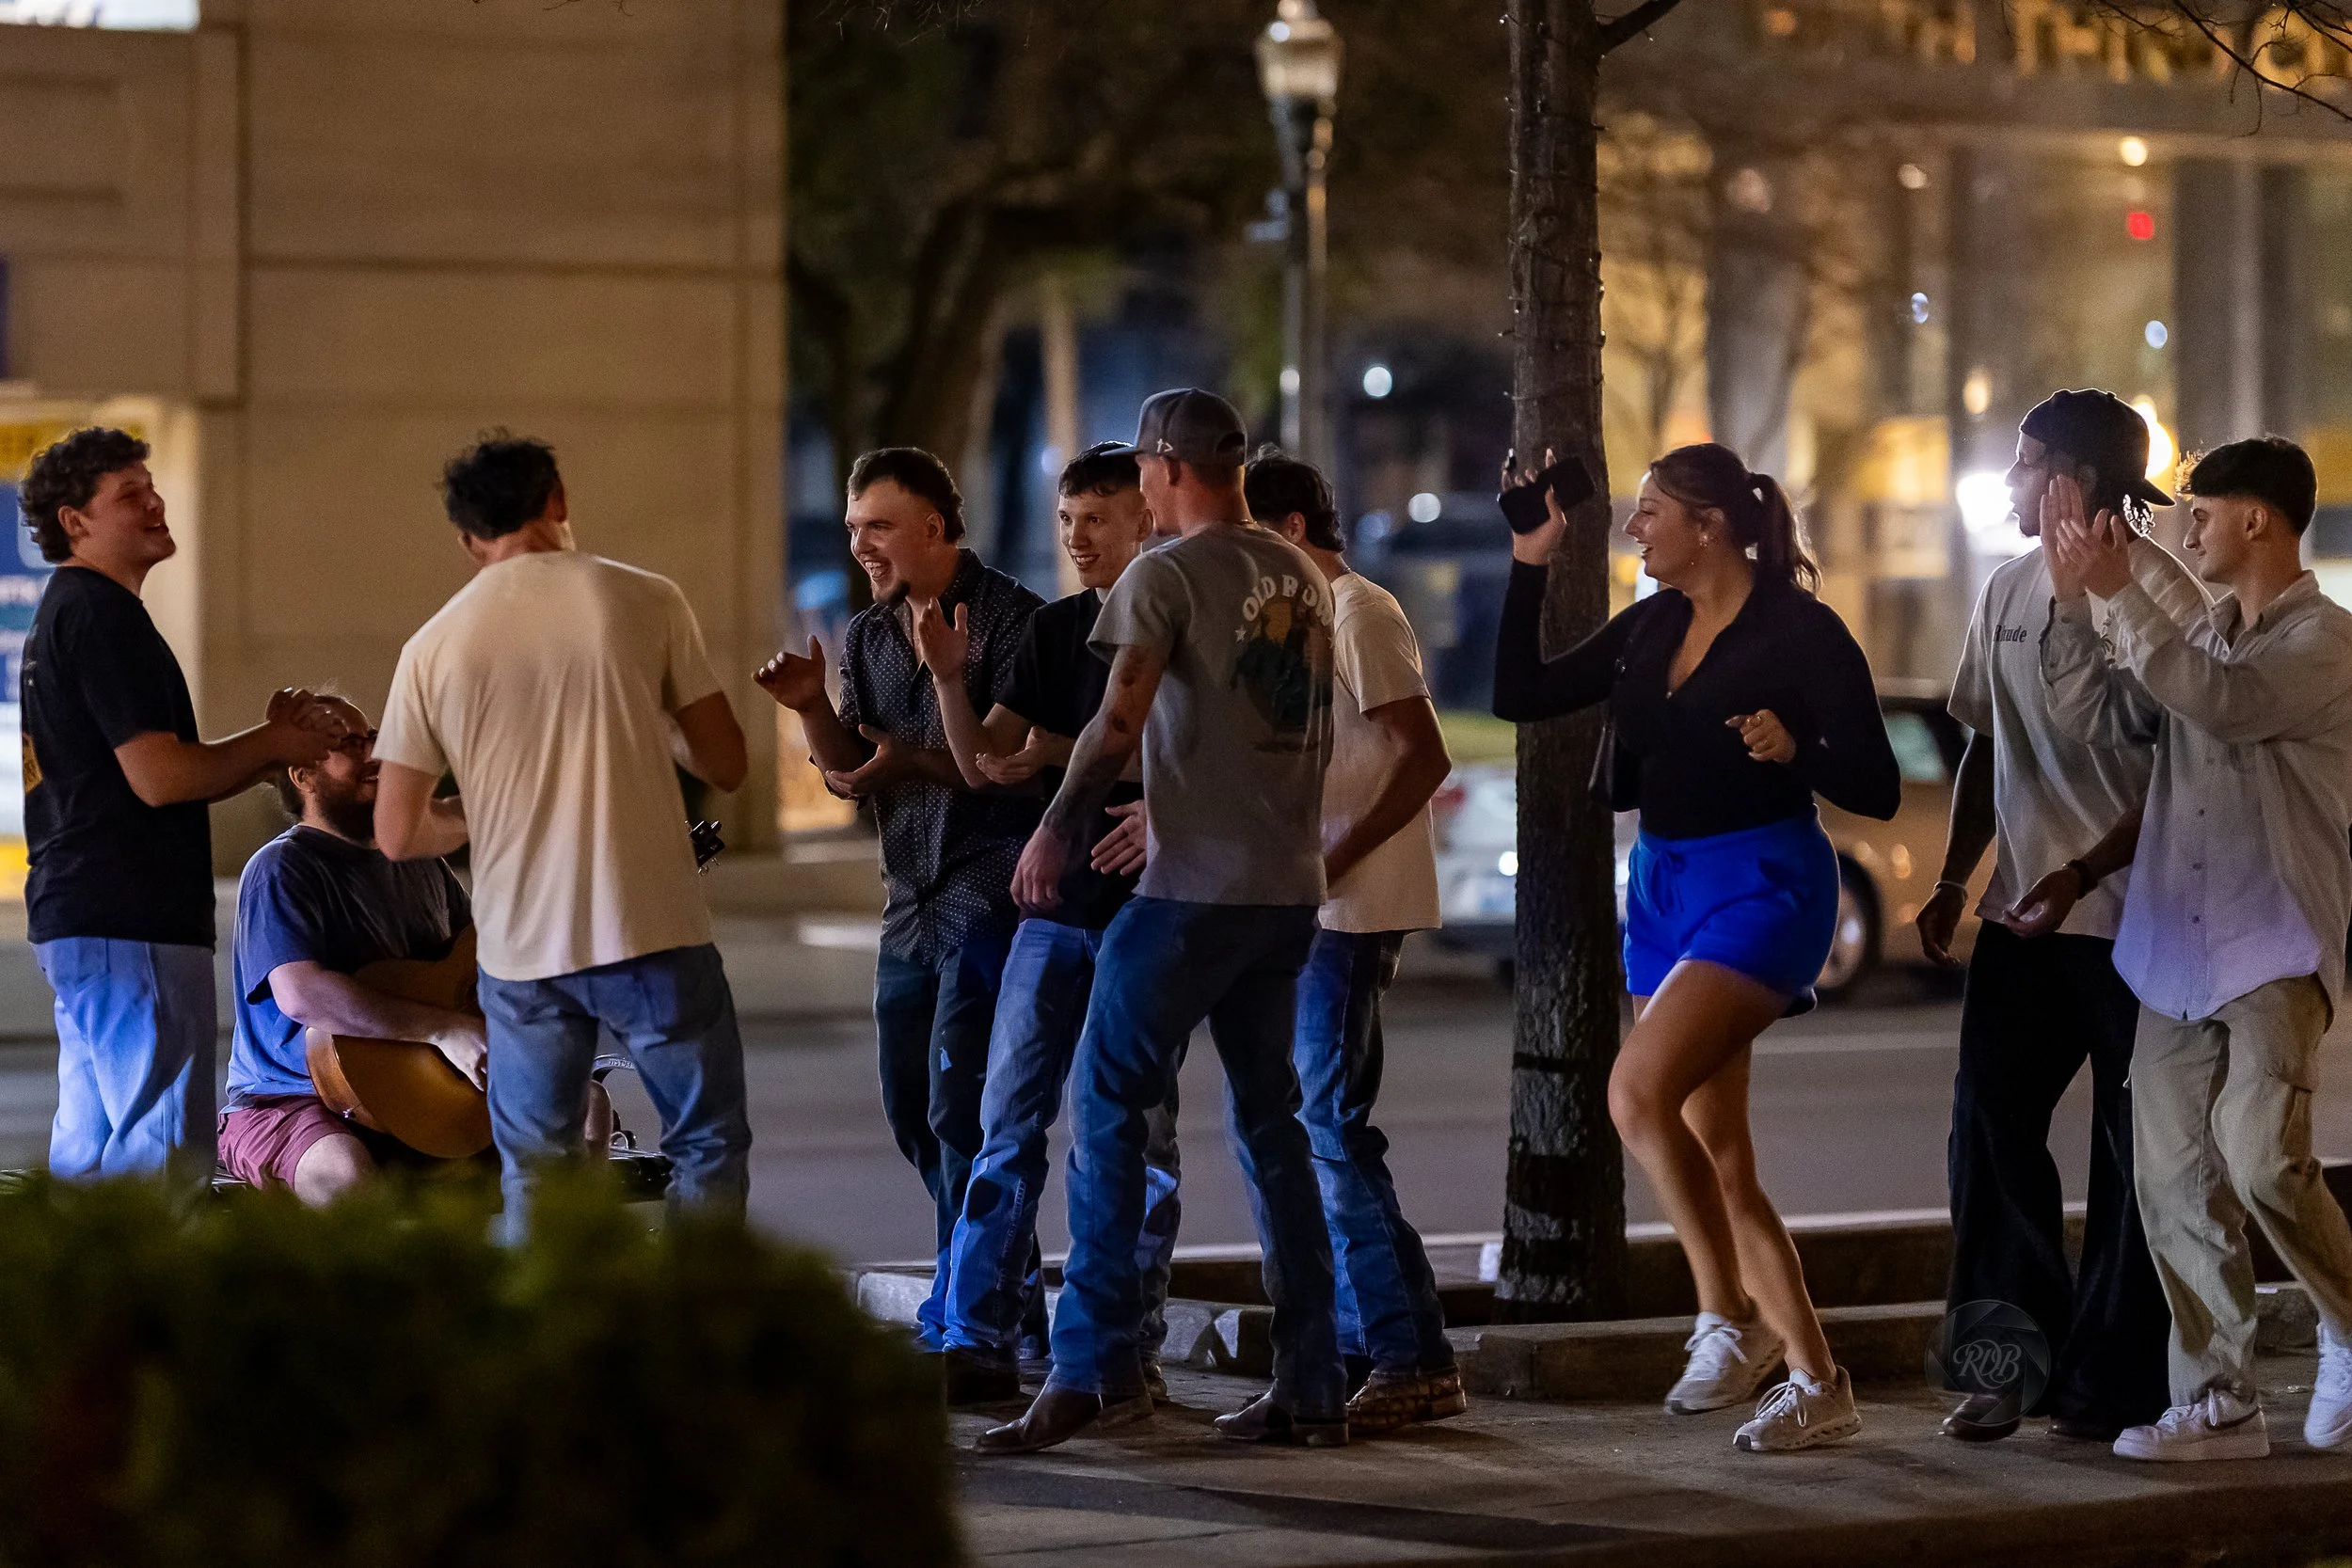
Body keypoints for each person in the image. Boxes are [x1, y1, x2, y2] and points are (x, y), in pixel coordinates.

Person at [1492, 441, 1899, 1453]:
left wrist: (1794, 749)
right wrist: (1528, 557)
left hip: (1764, 884)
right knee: (1720, 1153)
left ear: (1706, 524)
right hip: (1664, 886)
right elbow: (1519, 691)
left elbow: (1878, 783)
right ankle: (1817, 1378)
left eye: (1649, 513)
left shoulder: (1799, 631)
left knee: (1634, 1094)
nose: (1633, 530)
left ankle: (1723, 1317)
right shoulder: (1652, 623)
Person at [977, 388, 1343, 1454]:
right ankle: (1312, 1379)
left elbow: (1117, 716)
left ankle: (1090, 1370)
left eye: (1140, 466)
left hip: (1188, 890)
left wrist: (1053, 832)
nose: (1135, 482)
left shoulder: (1165, 573)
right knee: (1274, 1129)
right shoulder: (1298, 575)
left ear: (1166, 466)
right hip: (1285, 891)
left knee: (1105, 1107)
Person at [2041, 436, 2352, 1463]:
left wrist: (2124, 588)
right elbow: (2102, 711)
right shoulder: (2196, 635)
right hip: (2174, 948)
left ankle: (2346, 1323)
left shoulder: (2325, 642)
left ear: (2256, 518)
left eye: (2202, 511)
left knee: (2265, 1163)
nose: (2187, 528)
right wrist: (2075, 598)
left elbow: (2226, 702)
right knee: (2171, 1180)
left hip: (2272, 939)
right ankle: (2218, 1400)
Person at [374, 433, 753, 1238]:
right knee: (706, 1142)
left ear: (469, 540)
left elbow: (399, 830)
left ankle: (544, 1339)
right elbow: (725, 762)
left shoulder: (432, 646)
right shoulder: (645, 599)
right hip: (653, 928)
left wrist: (489, 810)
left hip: (520, 955)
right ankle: (702, 1332)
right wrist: (647, 712)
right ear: (559, 501)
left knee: (537, 1169)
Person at [1914, 390, 2192, 1444]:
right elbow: (1986, 741)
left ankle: (2113, 1382)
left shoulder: (2163, 594)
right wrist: (1953, 877)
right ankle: (2005, 1365)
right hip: (2021, 919)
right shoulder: (2005, 587)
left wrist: (2079, 874)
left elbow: (2176, 767)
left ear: (2071, 481)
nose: (2010, 481)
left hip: (2134, 921)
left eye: (2026, 463)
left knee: (2131, 1156)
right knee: (1987, 1130)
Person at [914, 442, 1186, 1404]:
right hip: (1052, 909)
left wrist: (1064, 755)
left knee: (1136, 1138)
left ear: (1145, 519)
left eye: (1097, 518)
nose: (1077, 537)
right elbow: (987, 760)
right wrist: (949, 679)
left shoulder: (1180, 623)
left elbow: (1183, 756)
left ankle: (1128, 1342)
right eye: (1067, 520)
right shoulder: (1056, 628)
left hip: (1145, 916)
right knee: (1004, 1121)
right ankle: (979, 1333)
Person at [755, 449, 1043, 1349]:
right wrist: (809, 707)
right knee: (910, 1107)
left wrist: (902, 754)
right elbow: (852, 772)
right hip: (908, 901)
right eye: (851, 529)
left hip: (987, 891)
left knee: (965, 1112)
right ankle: (1006, 1281)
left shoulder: (1016, 622)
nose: (861, 545)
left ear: (935, 524)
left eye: (877, 527)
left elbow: (992, 767)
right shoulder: (872, 635)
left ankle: (971, 1313)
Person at [18, 427, 342, 1187]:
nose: (156, 502)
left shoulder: (68, 613)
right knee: (159, 1167)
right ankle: (149, 1310)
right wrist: (274, 740)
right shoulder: (102, 616)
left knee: (94, 1169)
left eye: (150, 484)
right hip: (132, 922)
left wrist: (268, 750)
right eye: (129, 493)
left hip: (86, 921)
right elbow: (160, 778)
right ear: (75, 521)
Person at [1248, 446, 1464, 1433]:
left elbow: (1422, 754)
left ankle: (1410, 1353)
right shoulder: (1296, 621)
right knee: (1307, 1132)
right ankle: (1348, 1349)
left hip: (1348, 911)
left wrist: (1331, 860)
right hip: (1310, 909)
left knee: (1331, 1132)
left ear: (1291, 530)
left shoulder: (1359, 612)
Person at [220, 695, 480, 1203]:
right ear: (303, 776)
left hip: (423, 1086)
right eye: (349, 744)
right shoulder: (281, 868)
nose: (375, 755)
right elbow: (303, 996)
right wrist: (445, 1028)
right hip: (291, 1100)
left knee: (583, 1111)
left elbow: (476, 967)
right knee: (344, 1174)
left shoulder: (419, 861)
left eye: (376, 739)